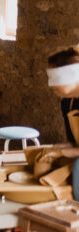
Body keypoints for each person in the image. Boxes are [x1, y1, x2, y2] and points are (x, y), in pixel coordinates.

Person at [46, 46, 79, 200]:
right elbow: (73, 143)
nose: (51, 85)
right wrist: (52, 149)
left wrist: (59, 153)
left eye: (55, 78)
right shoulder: (68, 102)